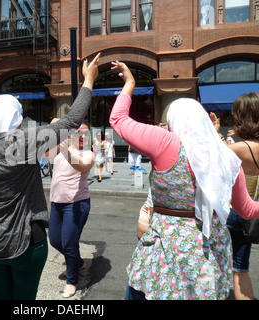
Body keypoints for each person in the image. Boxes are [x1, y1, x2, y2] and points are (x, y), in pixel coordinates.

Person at [0, 53, 100, 300]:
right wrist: (88, 81)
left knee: (0, 293)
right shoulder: (20, 144)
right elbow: (72, 121)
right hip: (25, 244)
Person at [109, 60, 259, 300]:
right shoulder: (227, 158)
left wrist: (130, 83)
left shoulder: (167, 143)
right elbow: (247, 210)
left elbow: (118, 120)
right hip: (208, 252)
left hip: (166, 249)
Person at [211, 92, 259, 300]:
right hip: (251, 215)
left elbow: (212, 153)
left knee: (214, 263)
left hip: (232, 213)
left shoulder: (238, 148)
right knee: (240, 270)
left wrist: (215, 132)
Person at [48, 122, 94, 298]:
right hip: (56, 202)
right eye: (77, 132)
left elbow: (81, 166)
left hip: (76, 204)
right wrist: (55, 131)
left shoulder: (88, 153)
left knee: (68, 242)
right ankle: (79, 262)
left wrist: (67, 150)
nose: (82, 135)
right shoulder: (62, 147)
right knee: (54, 240)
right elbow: (45, 152)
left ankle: (72, 280)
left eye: (85, 132)